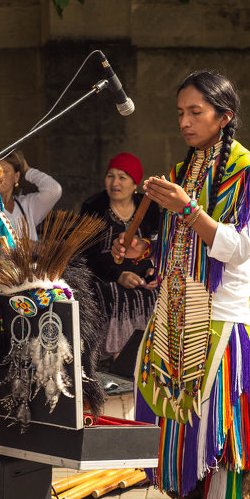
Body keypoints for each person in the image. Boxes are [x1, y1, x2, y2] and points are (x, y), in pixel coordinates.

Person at [112, 71, 250, 499]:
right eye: (180, 112)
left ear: (224, 117)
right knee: (176, 410)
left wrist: (186, 210)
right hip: (178, 308)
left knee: (226, 417)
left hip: (222, 315)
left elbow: (240, 247)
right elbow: (182, 246)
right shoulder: (184, 171)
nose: (184, 121)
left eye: (195, 112)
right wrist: (146, 248)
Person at [80, 152, 160, 360]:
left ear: (135, 183)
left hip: (140, 270)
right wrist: (118, 274)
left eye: (122, 177)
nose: (115, 182)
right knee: (119, 294)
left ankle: (152, 354)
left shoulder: (148, 207)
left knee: (156, 291)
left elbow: (156, 243)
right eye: (110, 176)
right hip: (103, 274)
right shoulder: (93, 208)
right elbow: (88, 256)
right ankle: (120, 359)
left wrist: (152, 269)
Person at [0, 150, 62, 240]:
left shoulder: (26, 205)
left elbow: (54, 190)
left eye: (5, 171)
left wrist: (27, 170)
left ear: (16, 177)